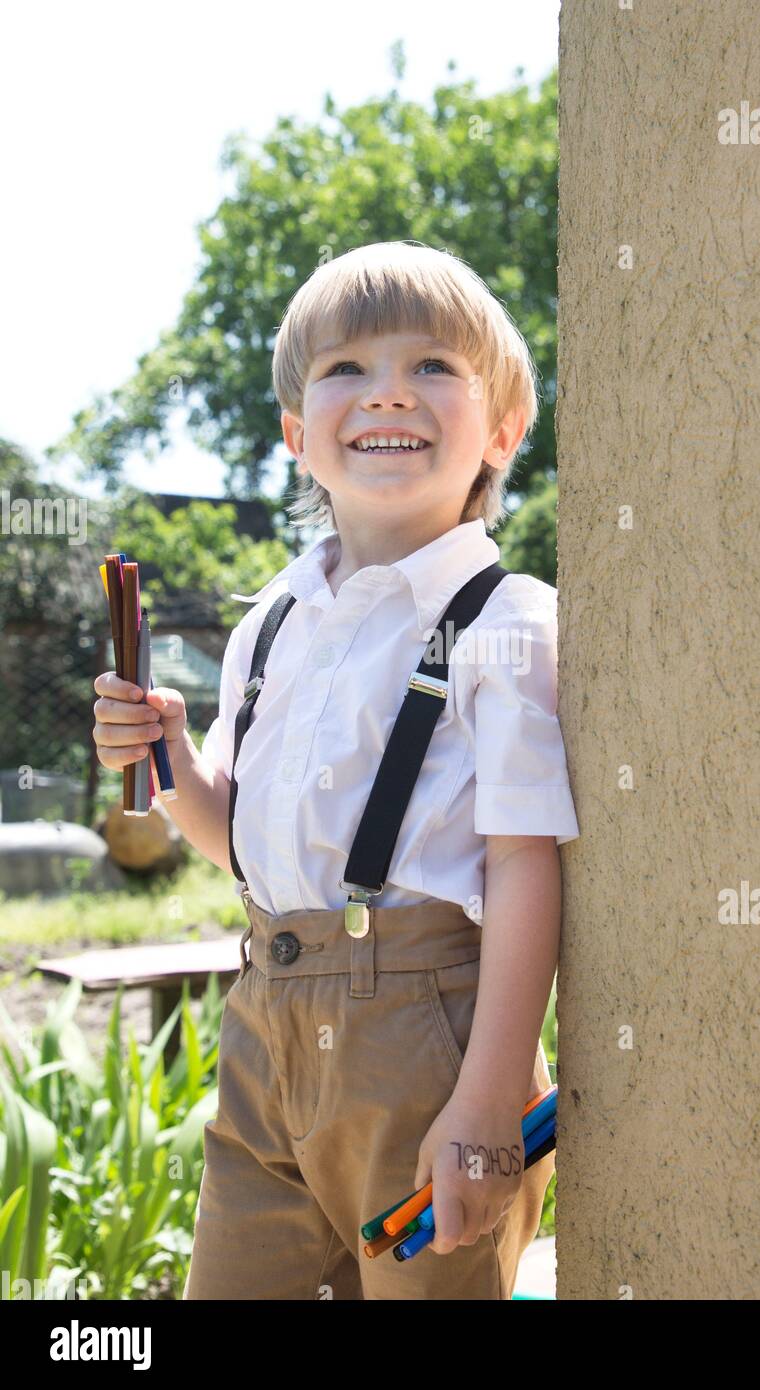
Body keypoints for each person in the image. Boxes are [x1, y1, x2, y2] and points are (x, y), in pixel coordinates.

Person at [92, 241, 580, 1299]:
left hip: (423, 1037)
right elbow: (243, 845)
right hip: (263, 1026)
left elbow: (527, 866)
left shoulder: (506, 621)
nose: (388, 391)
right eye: (346, 369)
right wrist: (169, 758)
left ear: (501, 430)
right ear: (295, 434)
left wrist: (492, 1106)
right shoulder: (269, 623)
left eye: (434, 367)